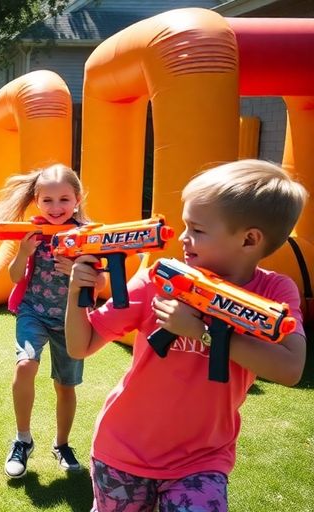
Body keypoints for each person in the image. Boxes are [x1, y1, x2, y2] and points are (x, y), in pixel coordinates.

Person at [65, 160, 307, 511]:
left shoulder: (274, 291)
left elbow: (290, 368)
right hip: (123, 451)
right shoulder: (158, 280)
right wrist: (76, 293)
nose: (182, 237)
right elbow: (80, 345)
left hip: (202, 459)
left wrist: (204, 332)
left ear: (249, 239)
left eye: (197, 229)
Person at [0, 164, 91, 478]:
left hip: (71, 320)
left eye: (63, 199)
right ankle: (23, 439)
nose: (55, 207)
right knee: (25, 364)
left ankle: (62, 445)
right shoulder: (31, 232)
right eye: (47, 200)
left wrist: (75, 273)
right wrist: (23, 251)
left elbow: (98, 284)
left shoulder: (87, 233)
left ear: (77, 199)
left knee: (65, 386)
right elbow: (14, 276)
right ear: (36, 199)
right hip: (33, 310)